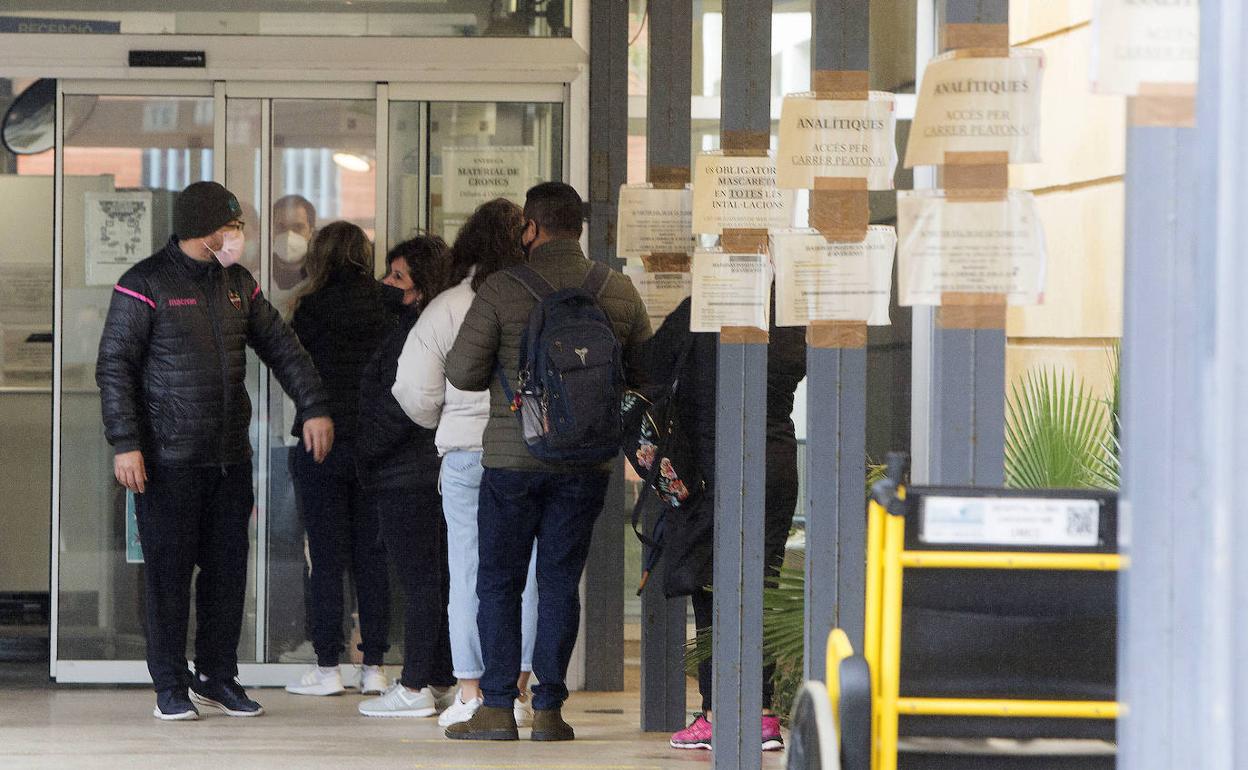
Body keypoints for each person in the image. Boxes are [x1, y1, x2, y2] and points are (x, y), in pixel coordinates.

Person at [96, 180, 333, 721]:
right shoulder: (144, 284)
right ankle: (170, 685)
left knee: (228, 576)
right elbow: (115, 368)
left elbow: (283, 348)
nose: (239, 237)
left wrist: (313, 405)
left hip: (228, 461)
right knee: (169, 579)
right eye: (232, 227)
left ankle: (218, 677)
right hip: (166, 463)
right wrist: (126, 443)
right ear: (205, 230)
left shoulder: (238, 285)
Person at [442, 183, 652, 742]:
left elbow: (462, 373)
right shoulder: (618, 289)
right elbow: (644, 376)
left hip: (513, 462)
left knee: (500, 582)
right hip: (586, 464)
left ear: (529, 228)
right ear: (579, 227)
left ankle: (494, 708)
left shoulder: (502, 289)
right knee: (559, 582)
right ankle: (550, 711)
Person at [392, 200, 540, 729]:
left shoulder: (450, 305)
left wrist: (445, 418)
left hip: (467, 454)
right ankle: (519, 691)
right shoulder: (537, 296)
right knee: (529, 573)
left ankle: (472, 690)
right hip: (531, 450)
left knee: (470, 568)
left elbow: (412, 386)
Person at [642, 296, 806, 753]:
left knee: (710, 585)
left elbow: (650, 365)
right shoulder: (791, 316)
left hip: (711, 465)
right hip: (776, 462)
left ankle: (717, 713)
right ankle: (763, 714)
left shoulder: (707, 304)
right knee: (763, 586)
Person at [283, 222, 394, 698]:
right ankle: (374, 668)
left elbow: (296, 369)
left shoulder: (308, 308)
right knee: (373, 558)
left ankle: (328, 665)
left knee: (325, 557)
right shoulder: (388, 305)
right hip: (375, 446)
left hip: (320, 442)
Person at [352, 235, 459, 717]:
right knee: (435, 579)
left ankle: (415, 684)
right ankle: (437, 676)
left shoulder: (419, 332)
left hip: (407, 472)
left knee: (420, 581)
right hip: (421, 470)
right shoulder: (415, 325)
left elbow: (404, 403)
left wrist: (367, 448)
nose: (386, 285)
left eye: (398, 278)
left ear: (423, 287)